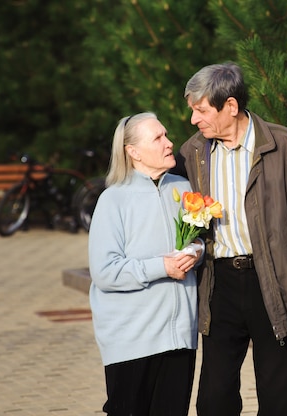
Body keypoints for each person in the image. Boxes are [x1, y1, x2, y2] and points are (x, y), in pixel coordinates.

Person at [173, 62, 287, 416]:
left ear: (230, 107)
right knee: (213, 401)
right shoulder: (193, 153)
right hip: (219, 285)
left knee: (280, 400)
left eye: (200, 110)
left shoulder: (282, 145)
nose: (193, 120)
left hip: (276, 283)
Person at [88, 112, 202, 416]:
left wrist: (196, 251)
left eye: (166, 135)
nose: (170, 143)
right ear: (133, 152)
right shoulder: (113, 200)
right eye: (158, 138)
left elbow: (198, 239)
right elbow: (105, 271)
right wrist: (161, 267)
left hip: (179, 338)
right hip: (131, 342)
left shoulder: (183, 188)